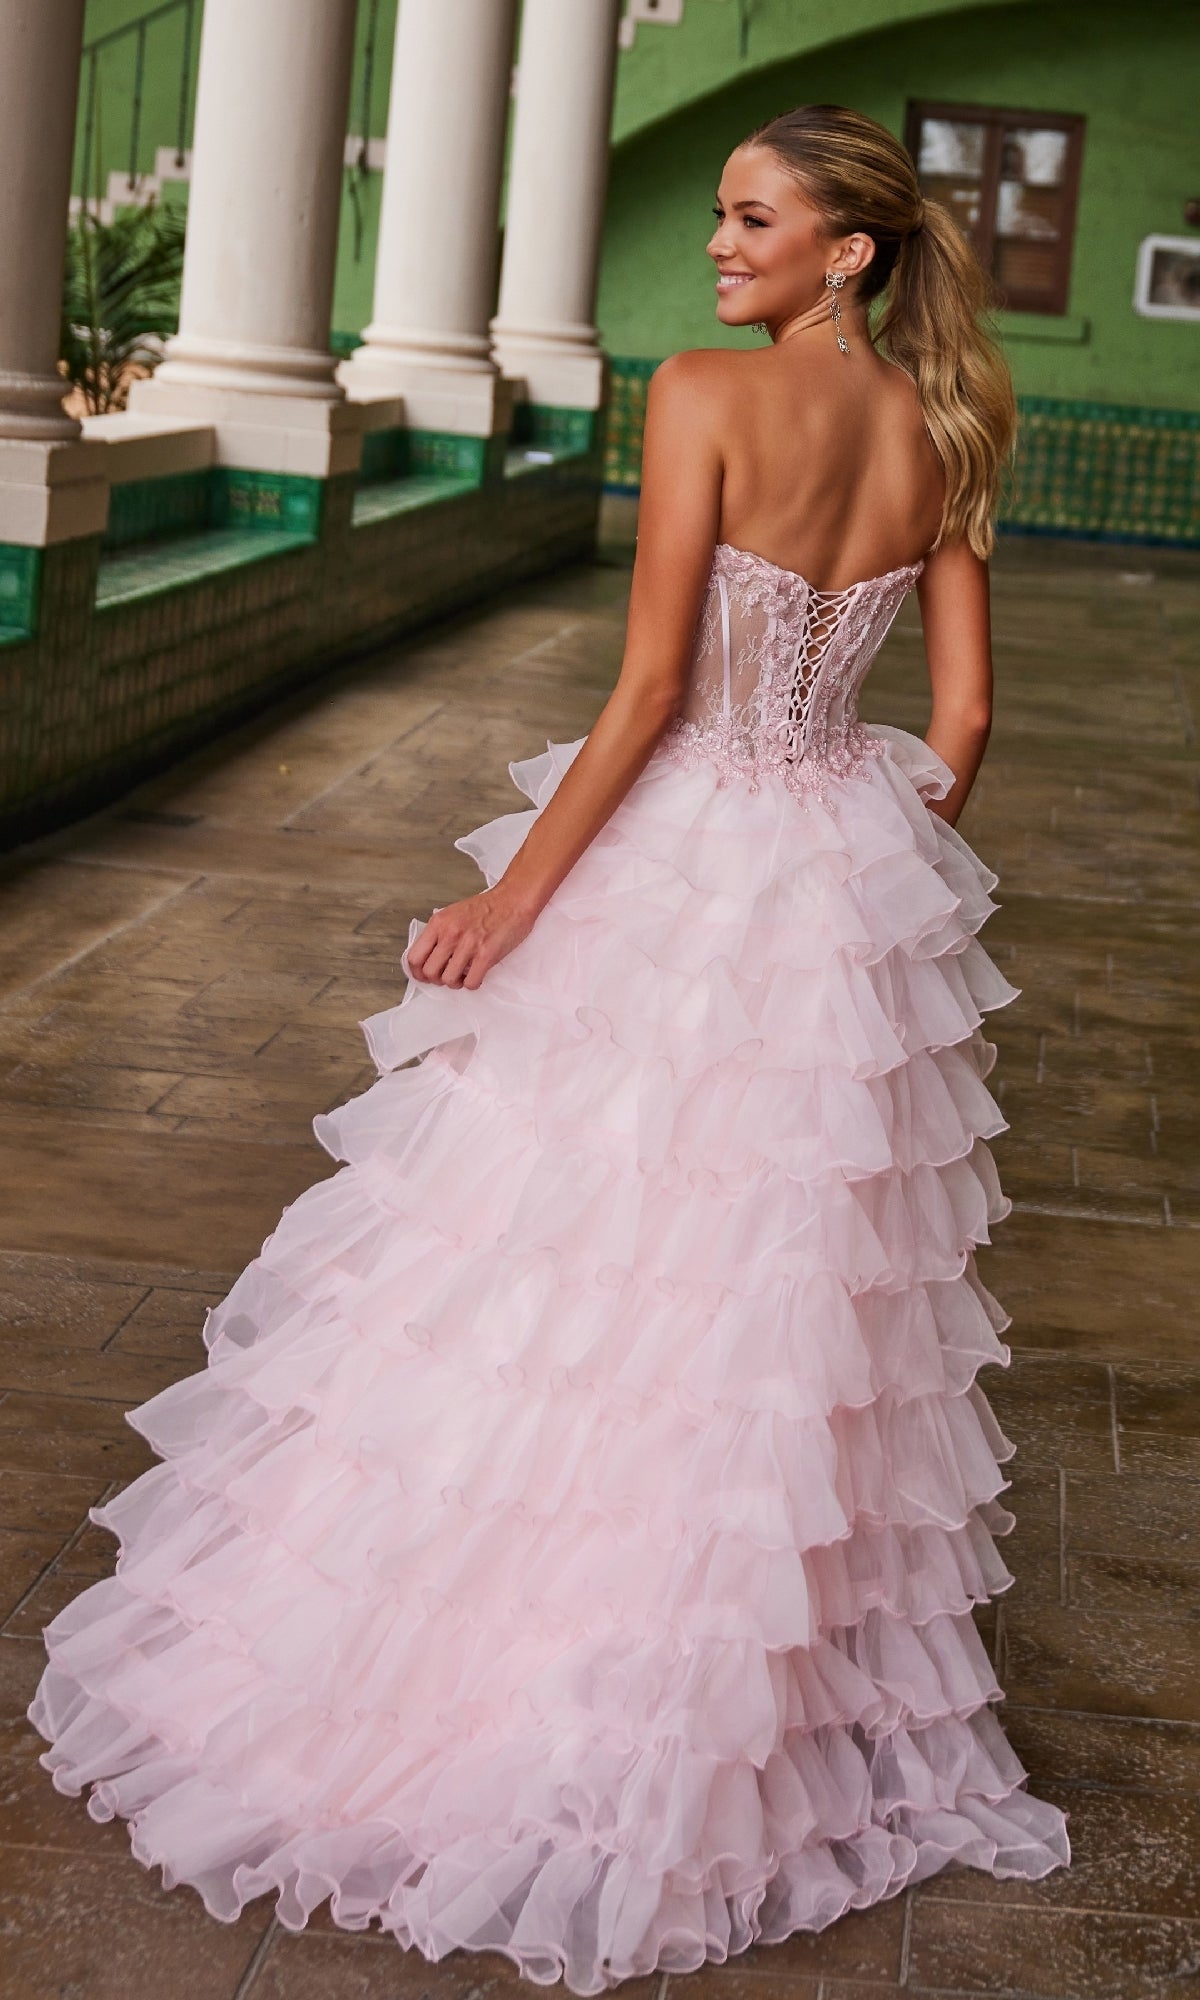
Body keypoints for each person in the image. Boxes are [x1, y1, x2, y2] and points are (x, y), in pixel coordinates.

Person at [30, 103, 1070, 1995]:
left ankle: (490, 1667)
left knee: (558, 1246)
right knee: (781, 1294)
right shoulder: (949, 431)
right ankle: (725, 1682)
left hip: (686, 850)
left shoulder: (699, 395)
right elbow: (970, 717)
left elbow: (657, 684)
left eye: (754, 221)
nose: (721, 246)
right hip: (842, 867)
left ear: (848, 250)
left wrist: (517, 904)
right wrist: (868, 846)